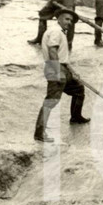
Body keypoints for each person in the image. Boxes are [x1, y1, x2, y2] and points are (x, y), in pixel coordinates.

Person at [34, 10, 88, 142]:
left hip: (63, 68)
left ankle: (76, 117)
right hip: (55, 68)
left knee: (79, 89)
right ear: (58, 19)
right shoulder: (55, 32)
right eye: (67, 19)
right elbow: (52, 51)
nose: (69, 23)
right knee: (51, 100)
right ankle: (39, 133)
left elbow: (63, 57)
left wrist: (73, 72)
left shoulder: (60, 32)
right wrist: (58, 72)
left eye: (71, 21)